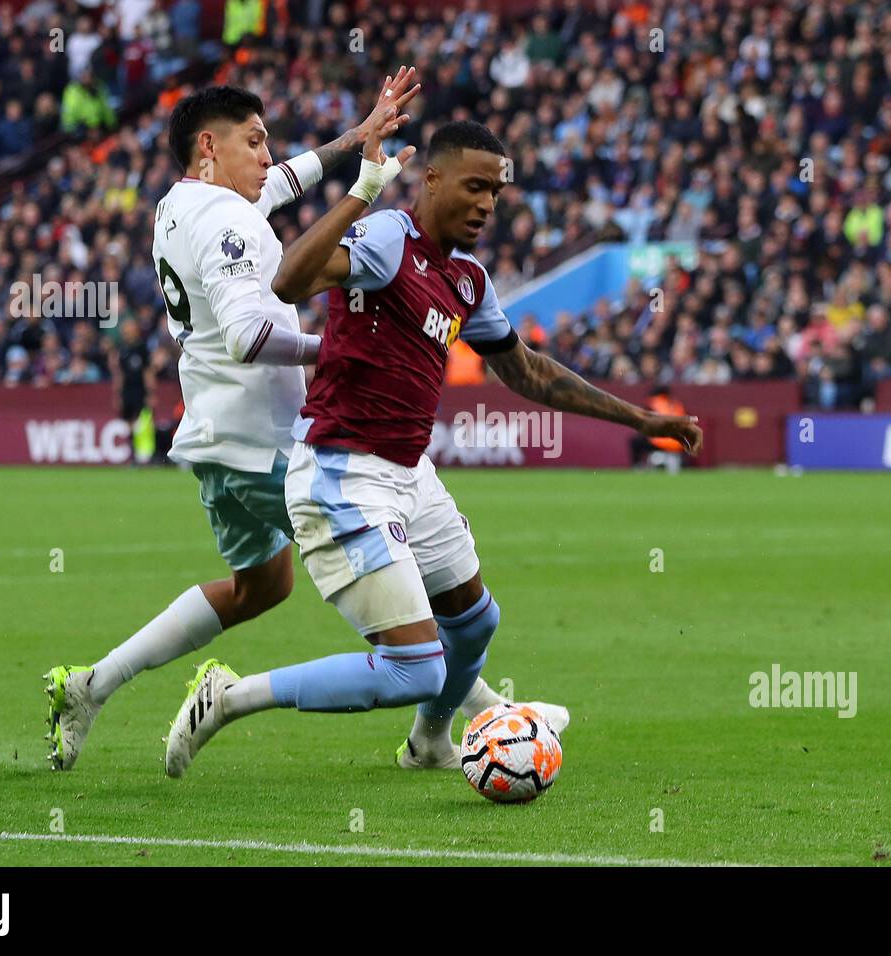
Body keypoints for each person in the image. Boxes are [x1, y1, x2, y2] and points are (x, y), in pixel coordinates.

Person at [162, 116, 702, 777]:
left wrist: (640, 419)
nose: (485, 204)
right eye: (474, 186)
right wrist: (362, 190)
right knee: (416, 666)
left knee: (475, 624)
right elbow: (291, 281)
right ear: (434, 179)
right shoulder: (390, 235)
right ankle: (229, 696)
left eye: (496, 195)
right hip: (342, 472)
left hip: (410, 473)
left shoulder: (468, 279)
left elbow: (529, 372)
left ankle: (430, 744)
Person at [42, 73, 537, 770]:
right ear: (208, 148)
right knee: (404, 580)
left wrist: (358, 137)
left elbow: (286, 183)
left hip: (215, 437)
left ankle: (92, 684)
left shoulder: (183, 205)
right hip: (275, 439)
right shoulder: (227, 221)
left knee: (262, 587)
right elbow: (249, 333)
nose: (270, 155)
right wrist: (342, 348)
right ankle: (486, 717)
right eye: (255, 141)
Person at [630, 385, 689, 472]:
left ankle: (637, 466)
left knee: (635, 441)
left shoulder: (653, 403)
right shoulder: (677, 404)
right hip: (679, 443)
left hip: (660, 442)